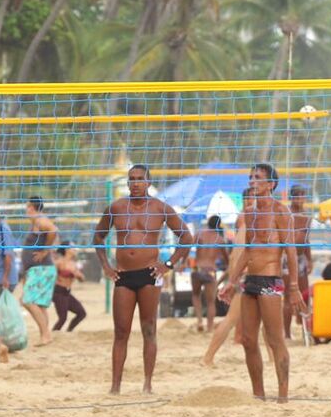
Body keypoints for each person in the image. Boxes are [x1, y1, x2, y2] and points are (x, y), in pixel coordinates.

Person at [94, 165, 191, 394]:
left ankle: (147, 384)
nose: (135, 183)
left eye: (140, 179)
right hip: (123, 276)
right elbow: (98, 236)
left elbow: (186, 237)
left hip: (150, 274)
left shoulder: (160, 208)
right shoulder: (117, 207)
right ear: (127, 183)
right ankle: (115, 386)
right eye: (131, 179)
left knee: (149, 329)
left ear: (148, 183)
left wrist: (168, 264)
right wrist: (106, 266)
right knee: (121, 332)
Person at [220, 164, 306, 403]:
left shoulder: (281, 212)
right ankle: (259, 395)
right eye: (250, 177)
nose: (252, 181)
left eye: (257, 178)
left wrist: (294, 287)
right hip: (251, 280)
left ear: (271, 184)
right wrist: (232, 281)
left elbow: (290, 250)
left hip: (271, 280)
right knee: (248, 340)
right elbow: (247, 250)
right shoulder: (249, 212)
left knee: (274, 338)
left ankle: (283, 396)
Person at [201, 189, 253, 367]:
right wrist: (233, 279)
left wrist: (229, 278)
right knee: (231, 318)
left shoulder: (243, 223)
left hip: (239, 275)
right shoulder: (248, 224)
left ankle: (270, 357)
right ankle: (208, 357)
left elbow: (232, 257)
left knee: (266, 320)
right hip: (247, 277)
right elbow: (237, 256)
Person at [19, 196, 57, 345]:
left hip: (42, 268)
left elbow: (53, 230)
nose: (26, 210)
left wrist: (45, 251)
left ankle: (46, 334)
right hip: (40, 269)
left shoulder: (41, 220)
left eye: (27, 207)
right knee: (39, 304)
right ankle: (46, 336)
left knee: (27, 300)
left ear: (32, 208)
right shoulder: (37, 222)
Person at [191, 215, 230, 333]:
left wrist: (183, 263)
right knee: (210, 302)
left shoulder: (199, 234)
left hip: (197, 269)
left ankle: (199, 321)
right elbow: (227, 261)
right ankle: (209, 327)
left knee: (196, 295)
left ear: (208, 223)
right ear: (219, 226)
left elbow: (186, 247)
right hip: (210, 271)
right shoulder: (220, 240)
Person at [284, 185, 313, 339]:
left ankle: (304, 331)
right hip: (287, 258)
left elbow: (306, 241)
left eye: (302, 195)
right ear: (292, 198)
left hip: (300, 258)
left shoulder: (306, 217)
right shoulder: (286, 214)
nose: (300, 198)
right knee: (288, 296)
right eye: (297, 196)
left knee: (304, 295)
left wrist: (310, 259)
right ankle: (287, 333)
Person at [52, 245, 87, 331]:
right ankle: (53, 334)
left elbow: (82, 279)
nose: (75, 250)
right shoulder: (58, 262)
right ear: (67, 250)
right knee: (63, 318)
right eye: (73, 249)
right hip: (58, 291)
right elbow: (51, 277)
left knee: (81, 313)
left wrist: (79, 276)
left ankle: (69, 331)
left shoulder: (73, 264)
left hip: (67, 292)